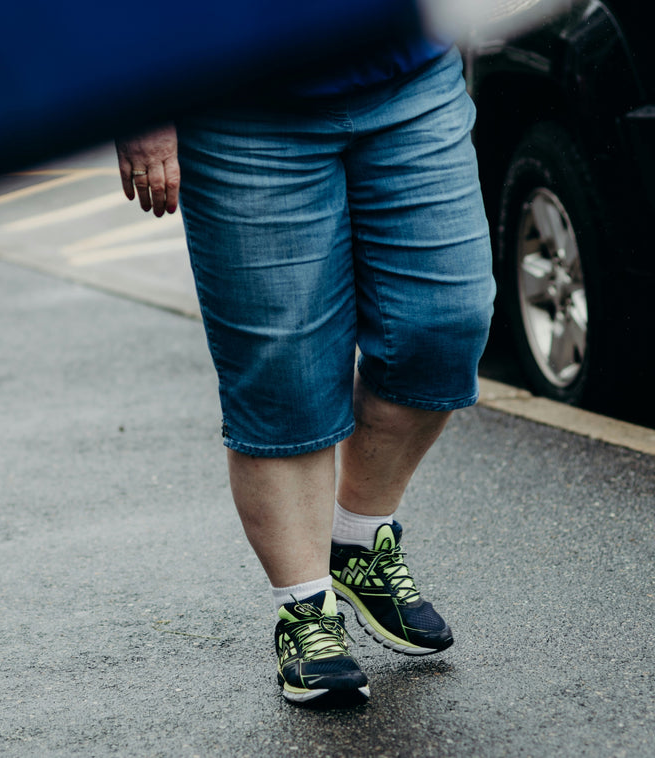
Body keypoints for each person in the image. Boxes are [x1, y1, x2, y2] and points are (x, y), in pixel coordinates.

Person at [115, 29, 495, 708]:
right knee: (283, 373)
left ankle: (356, 541)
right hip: (236, 99)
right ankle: (306, 612)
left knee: (445, 324)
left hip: (409, 73)